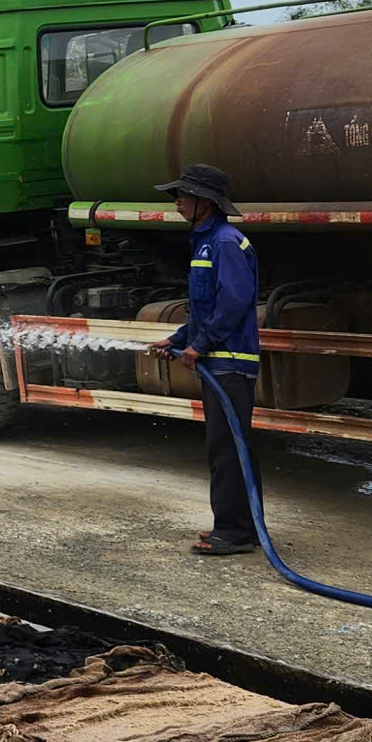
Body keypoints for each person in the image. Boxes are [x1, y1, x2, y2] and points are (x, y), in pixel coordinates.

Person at [144, 163, 263, 557]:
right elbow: (203, 308)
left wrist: (201, 345)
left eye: (183, 195)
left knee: (227, 448)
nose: (177, 202)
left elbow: (233, 302)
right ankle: (239, 526)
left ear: (205, 203)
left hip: (229, 362)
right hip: (218, 360)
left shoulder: (226, 243)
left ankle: (234, 532)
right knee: (227, 447)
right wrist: (178, 339)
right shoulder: (207, 242)